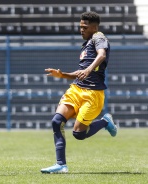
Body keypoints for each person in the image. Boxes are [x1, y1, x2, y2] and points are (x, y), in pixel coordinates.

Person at [41, 11, 117, 174]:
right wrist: (61, 75)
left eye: (84, 27)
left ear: (94, 27)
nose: (81, 29)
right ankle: (61, 165)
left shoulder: (99, 37)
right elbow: (80, 72)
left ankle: (105, 121)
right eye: (80, 26)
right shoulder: (88, 43)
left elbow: (102, 55)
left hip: (93, 94)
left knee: (78, 134)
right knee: (56, 121)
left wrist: (89, 69)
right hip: (76, 90)